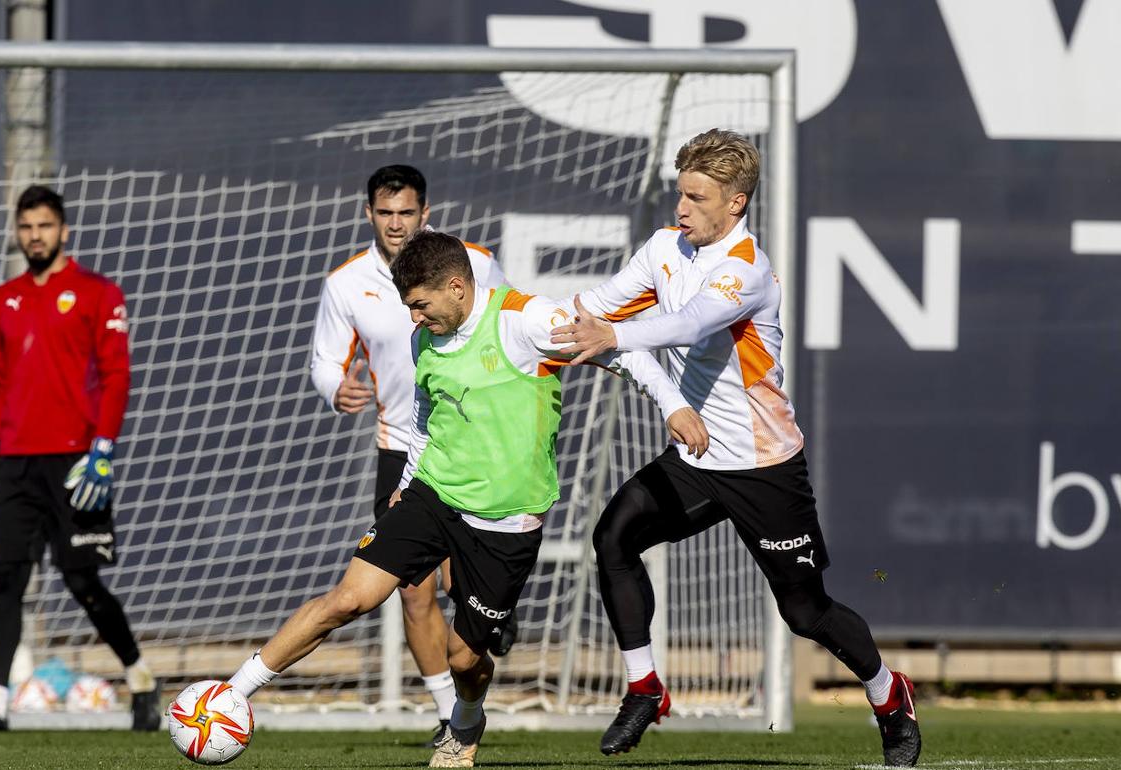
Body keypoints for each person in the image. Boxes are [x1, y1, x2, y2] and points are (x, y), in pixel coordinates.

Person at [227, 230, 702, 768]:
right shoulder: (424, 337)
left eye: (420, 305)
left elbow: (621, 352)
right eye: (408, 308)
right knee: (348, 600)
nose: (414, 319)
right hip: (432, 494)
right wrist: (408, 481)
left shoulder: (526, 320)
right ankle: (229, 696)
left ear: (456, 287)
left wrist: (672, 407)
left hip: (505, 521)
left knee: (464, 657)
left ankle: (467, 719)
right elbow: (426, 416)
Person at [550, 129, 922, 767]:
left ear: (736, 203)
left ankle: (889, 696)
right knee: (613, 537)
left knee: (805, 613)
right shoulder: (665, 248)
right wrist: (515, 325)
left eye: (697, 198)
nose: (682, 209)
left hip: (762, 465)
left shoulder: (745, 269)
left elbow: (687, 324)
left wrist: (611, 337)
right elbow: (592, 306)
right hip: (696, 458)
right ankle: (644, 688)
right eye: (680, 194)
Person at [308, 165, 513, 745]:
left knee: (460, 583)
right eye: (385, 212)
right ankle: (451, 716)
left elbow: (506, 326)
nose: (396, 224)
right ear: (368, 214)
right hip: (401, 445)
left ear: (426, 214)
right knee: (412, 587)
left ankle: (490, 612)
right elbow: (325, 359)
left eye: (406, 213)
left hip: (473, 444)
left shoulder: (472, 262)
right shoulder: (346, 282)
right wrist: (335, 387)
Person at [0, 185, 159, 732]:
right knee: (8, 578)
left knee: (81, 580)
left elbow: (117, 374)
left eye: (44, 226)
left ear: (63, 230)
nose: (34, 236)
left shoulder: (97, 292)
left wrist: (103, 447)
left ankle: (140, 679)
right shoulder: (5, 298)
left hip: (74, 461)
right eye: (25, 227)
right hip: (16, 460)